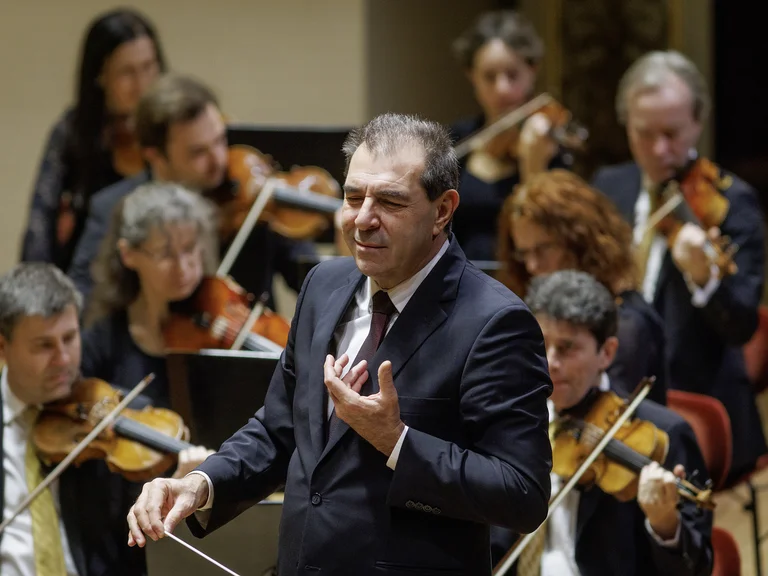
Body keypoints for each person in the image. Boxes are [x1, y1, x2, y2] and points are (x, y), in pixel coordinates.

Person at [125, 112, 553, 575]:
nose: (363, 219)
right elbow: (279, 428)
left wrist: (398, 442)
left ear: (443, 210)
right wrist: (201, 483)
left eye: (390, 201)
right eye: (353, 197)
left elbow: (522, 493)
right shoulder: (323, 285)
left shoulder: (495, 321)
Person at [591, 50, 767, 483]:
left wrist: (704, 278)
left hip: (696, 396)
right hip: (610, 389)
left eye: (672, 133)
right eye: (643, 134)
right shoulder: (609, 186)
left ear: (698, 123)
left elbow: (742, 324)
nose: (659, 150)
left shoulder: (733, 204)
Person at [492, 269, 712, 575]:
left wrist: (665, 527)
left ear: (606, 353)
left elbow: (697, 567)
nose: (550, 362)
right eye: (542, 344)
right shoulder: (515, 415)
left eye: (567, 348)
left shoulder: (666, 434)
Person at [0, 263, 209, 576]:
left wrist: (170, 503)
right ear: (3, 348)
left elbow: (142, 555)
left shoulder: (119, 417)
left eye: (69, 338)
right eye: (44, 346)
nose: (64, 359)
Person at [67, 72, 316, 308]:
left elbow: (311, 280)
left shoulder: (251, 196)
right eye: (198, 152)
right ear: (155, 156)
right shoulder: (113, 207)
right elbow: (86, 301)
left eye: (220, 140)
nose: (218, 159)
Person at [496, 169, 669, 405]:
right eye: (524, 254)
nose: (532, 266)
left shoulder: (629, 323)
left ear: (579, 244)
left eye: (543, 249)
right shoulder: (535, 313)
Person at [21, 8, 166, 271]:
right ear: (100, 76)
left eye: (149, 67)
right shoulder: (73, 131)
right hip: (87, 277)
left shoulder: (175, 128)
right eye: (127, 72)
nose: (142, 83)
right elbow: (39, 224)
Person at [81, 181, 221, 410]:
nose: (182, 267)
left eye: (189, 248)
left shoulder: (220, 326)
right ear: (128, 254)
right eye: (165, 255)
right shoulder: (103, 341)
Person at [448, 10, 570, 261]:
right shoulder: (456, 141)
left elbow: (553, 239)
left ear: (532, 70)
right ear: (472, 77)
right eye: (489, 77)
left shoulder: (553, 149)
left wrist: (533, 165)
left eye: (512, 75)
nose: (502, 89)